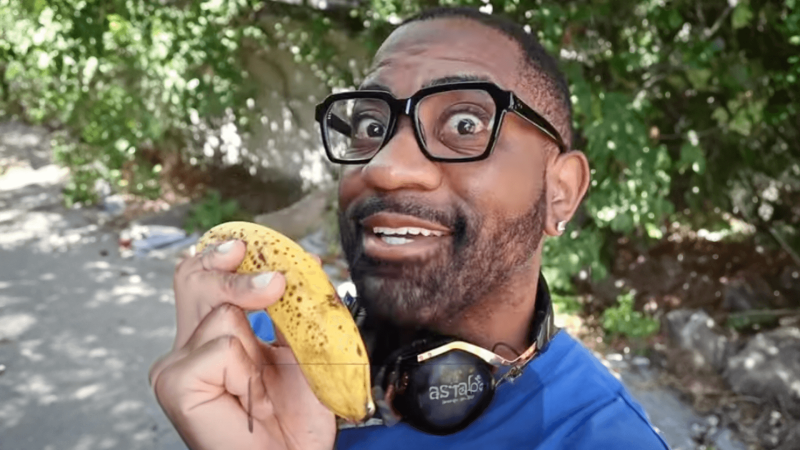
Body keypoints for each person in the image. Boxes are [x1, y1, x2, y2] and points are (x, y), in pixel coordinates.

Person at [148, 6, 672, 450]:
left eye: (466, 124)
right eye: (372, 126)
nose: (385, 166)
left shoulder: (600, 436)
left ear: (559, 192)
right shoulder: (258, 344)